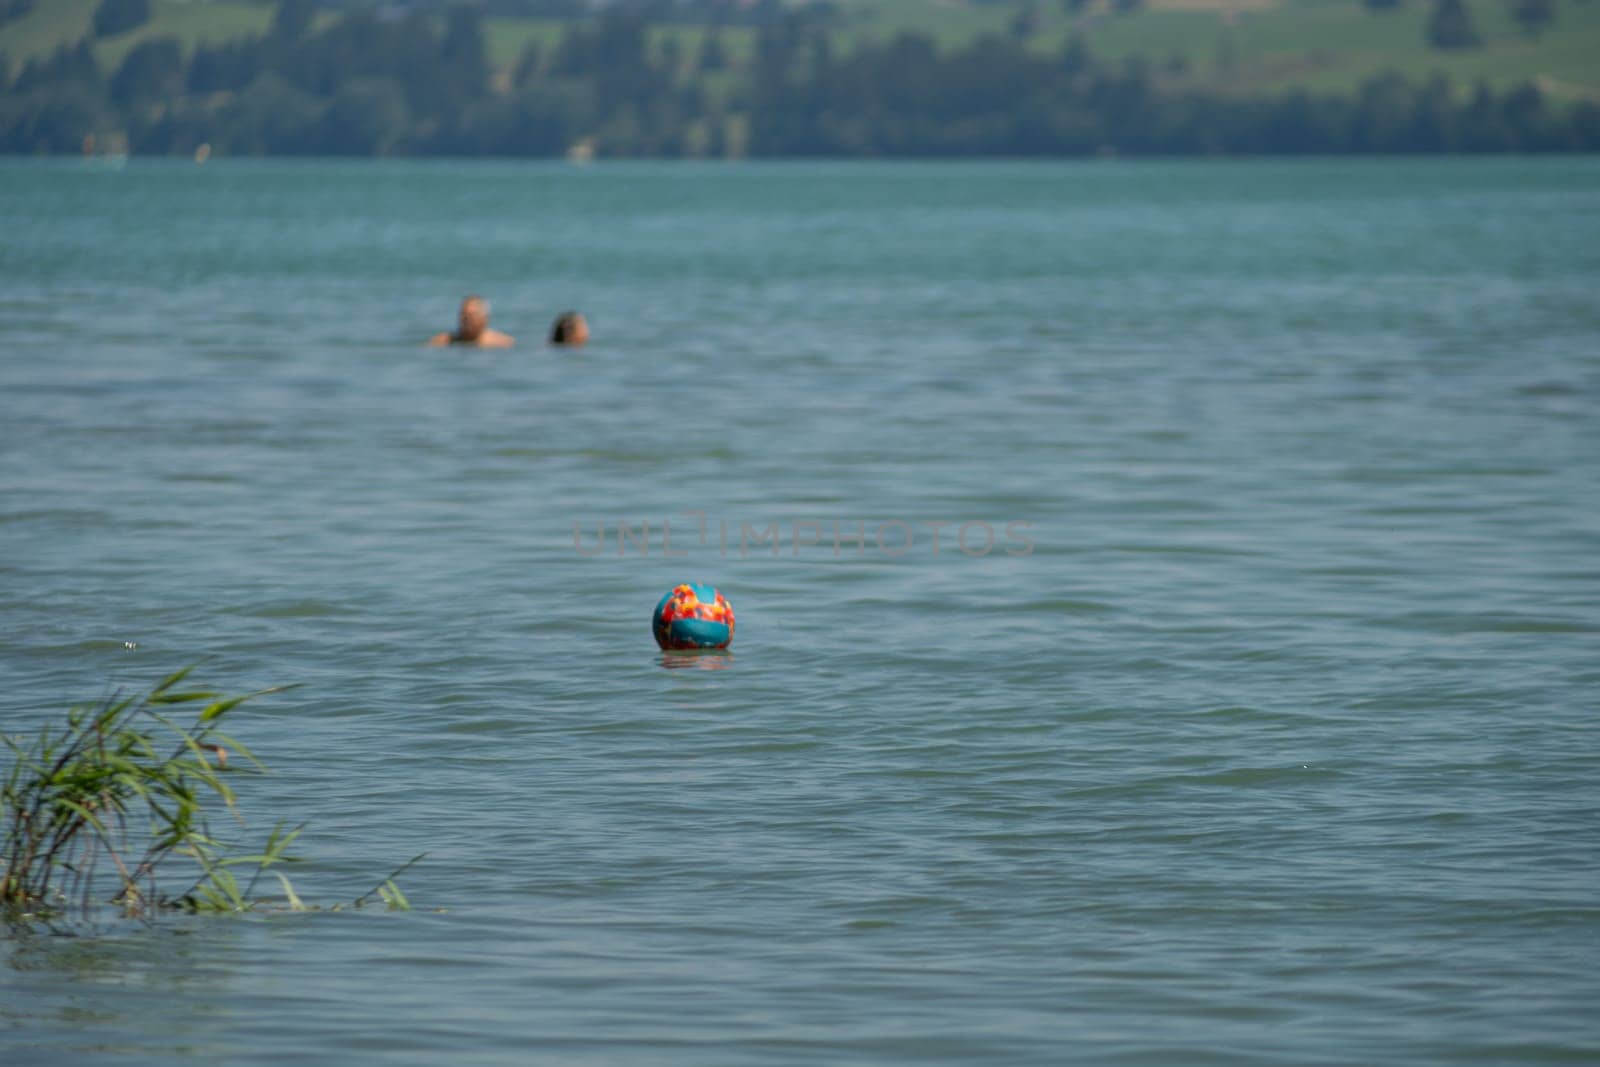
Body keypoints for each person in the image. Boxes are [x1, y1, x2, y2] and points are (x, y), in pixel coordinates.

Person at [429, 295, 513, 348]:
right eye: (464, 315)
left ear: (485, 318)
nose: (467, 320)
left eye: (472, 316)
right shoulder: (443, 341)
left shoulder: (502, 343)